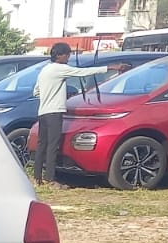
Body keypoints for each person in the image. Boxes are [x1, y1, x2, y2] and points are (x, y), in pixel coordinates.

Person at [31, 43, 124, 187]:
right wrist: (110, 68)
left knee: (42, 145)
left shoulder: (45, 70)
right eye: (67, 55)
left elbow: (36, 92)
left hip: (43, 112)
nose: (68, 58)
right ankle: (50, 179)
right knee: (53, 146)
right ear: (59, 55)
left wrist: (49, 94)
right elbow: (82, 72)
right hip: (55, 112)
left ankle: (37, 177)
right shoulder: (60, 68)